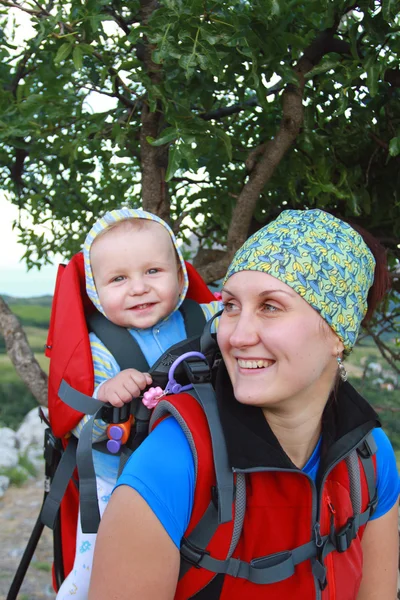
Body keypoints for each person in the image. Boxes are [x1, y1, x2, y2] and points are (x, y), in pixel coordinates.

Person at [89, 209, 400, 600]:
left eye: (270, 306)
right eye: (231, 306)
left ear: (338, 332)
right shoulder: (173, 463)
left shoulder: (368, 457)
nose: (236, 335)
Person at [56, 207, 220, 599]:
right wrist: (106, 394)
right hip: (119, 478)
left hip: (206, 468)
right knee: (94, 567)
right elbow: (82, 427)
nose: (138, 288)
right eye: (118, 279)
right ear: (95, 291)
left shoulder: (210, 318)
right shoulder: (98, 349)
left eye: (152, 272)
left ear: (180, 273)